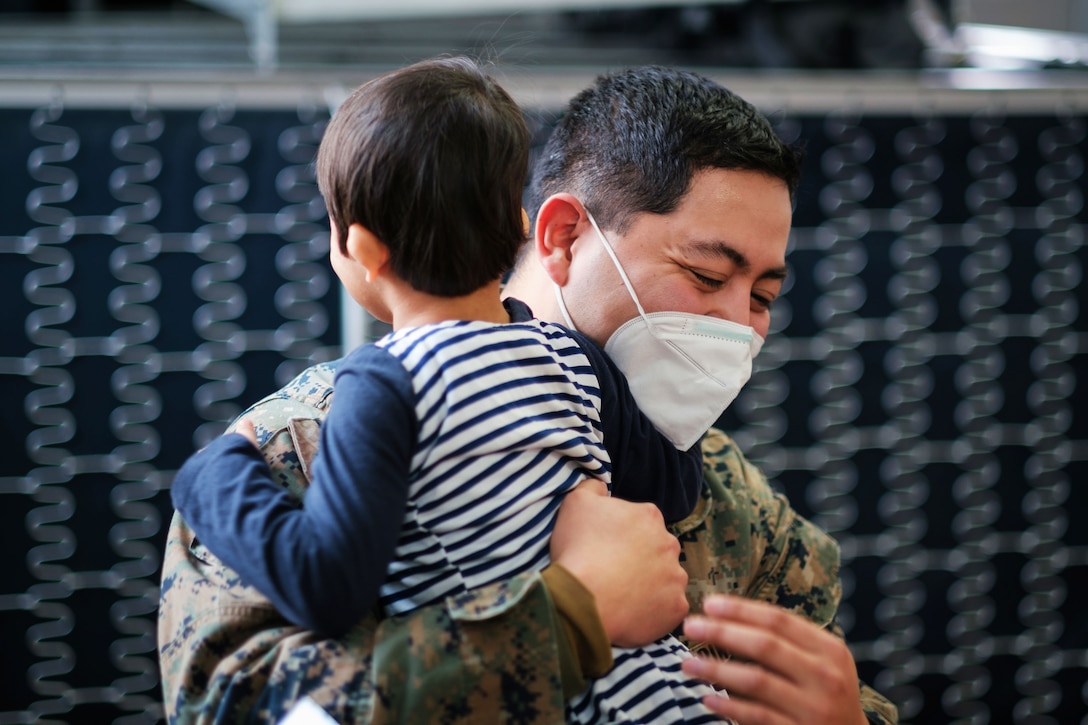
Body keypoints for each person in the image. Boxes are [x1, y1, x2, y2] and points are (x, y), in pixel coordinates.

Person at [158, 64, 900, 724]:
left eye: (764, 296)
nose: (740, 326)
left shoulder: (727, 490)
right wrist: (565, 619)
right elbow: (240, 705)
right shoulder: (292, 456)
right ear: (562, 236)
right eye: (707, 277)